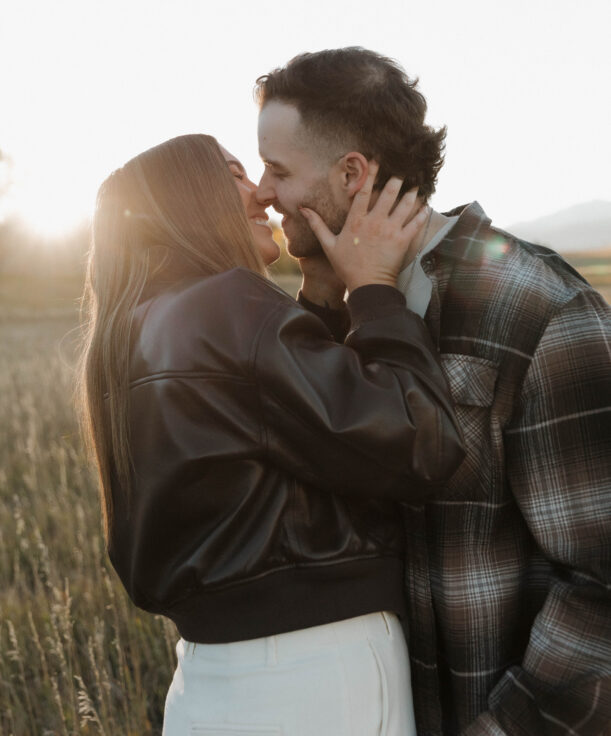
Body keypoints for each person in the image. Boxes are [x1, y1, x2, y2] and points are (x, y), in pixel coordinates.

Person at [254, 47, 611, 736]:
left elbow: (603, 587)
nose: (264, 192)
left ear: (351, 174)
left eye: (278, 170)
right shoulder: (332, 310)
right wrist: (325, 307)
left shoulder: (540, 309)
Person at [78, 133, 465, 736]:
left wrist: (320, 301)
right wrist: (374, 291)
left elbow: (274, 424)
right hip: (317, 676)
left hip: (208, 682)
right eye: (234, 175)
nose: (261, 193)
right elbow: (420, 440)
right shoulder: (226, 305)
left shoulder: (130, 335)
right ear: (191, 199)